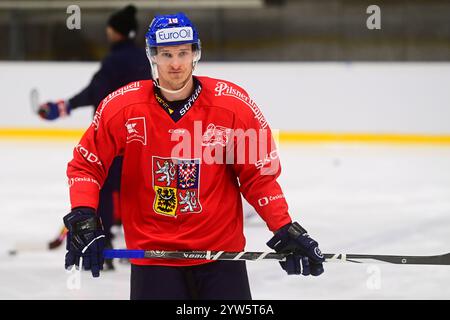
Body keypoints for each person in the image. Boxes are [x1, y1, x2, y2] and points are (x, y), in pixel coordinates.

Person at [62, 12, 325, 300]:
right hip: (154, 256)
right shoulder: (123, 107)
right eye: (166, 54)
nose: (175, 64)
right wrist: (85, 217)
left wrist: (284, 228)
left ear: (195, 54)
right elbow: (86, 165)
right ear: (153, 56)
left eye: (183, 53)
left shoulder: (233, 106)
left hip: (221, 255)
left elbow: (258, 176)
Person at [37, 5, 151, 269]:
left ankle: (105, 245)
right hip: (142, 136)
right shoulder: (145, 58)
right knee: (137, 191)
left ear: (115, 31)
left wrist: (60, 108)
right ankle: (141, 247)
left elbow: (94, 92)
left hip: (115, 137)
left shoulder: (114, 61)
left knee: (104, 190)